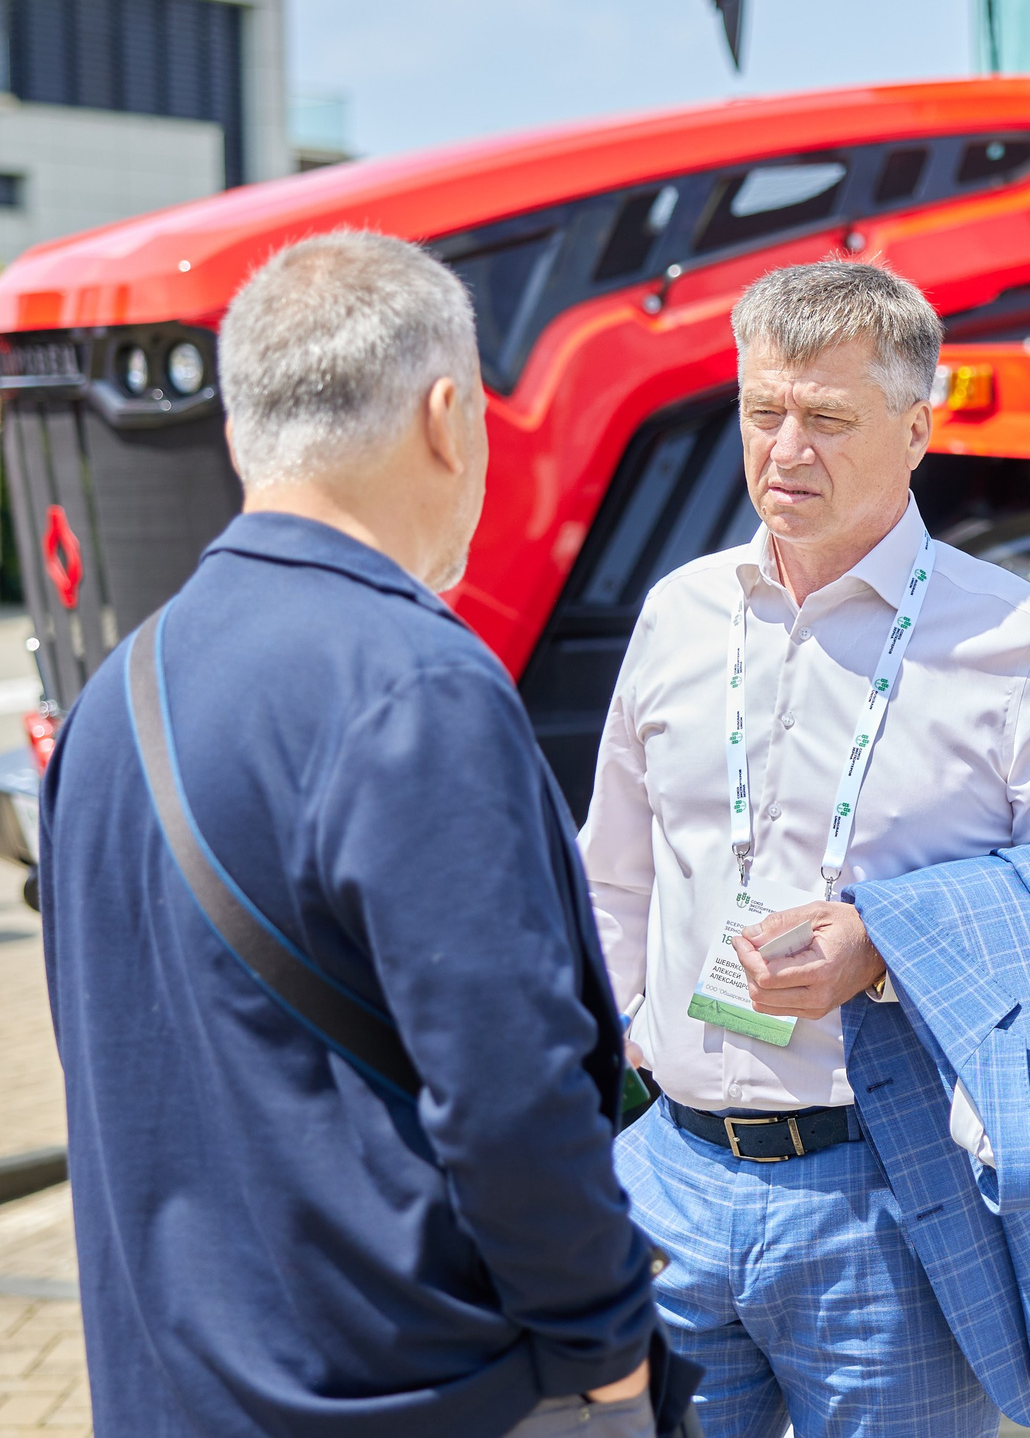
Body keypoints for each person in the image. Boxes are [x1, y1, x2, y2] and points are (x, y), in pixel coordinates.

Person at [40, 232, 662, 1437]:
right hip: (419, 1395)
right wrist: (609, 1350)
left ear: (238, 433)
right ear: (446, 417)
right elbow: (510, 1092)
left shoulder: (112, 700)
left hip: (172, 1397)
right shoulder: (417, 685)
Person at [583, 257, 1030, 1438]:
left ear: (917, 428)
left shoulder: (1021, 641)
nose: (785, 450)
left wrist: (886, 946)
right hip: (672, 1186)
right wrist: (620, 1070)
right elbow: (613, 872)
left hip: (887, 1202)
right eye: (764, 412)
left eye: (828, 419)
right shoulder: (678, 614)